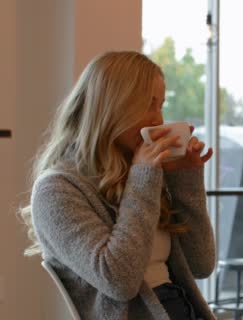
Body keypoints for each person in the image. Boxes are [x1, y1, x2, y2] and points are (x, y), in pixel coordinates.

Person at [19, 51, 216, 320]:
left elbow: (202, 264)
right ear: (112, 105)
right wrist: (144, 178)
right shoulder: (56, 190)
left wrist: (184, 178)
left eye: (161, 105)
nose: (158, 120)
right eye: (148, 104)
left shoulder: (139, 174)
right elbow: (120, 281)